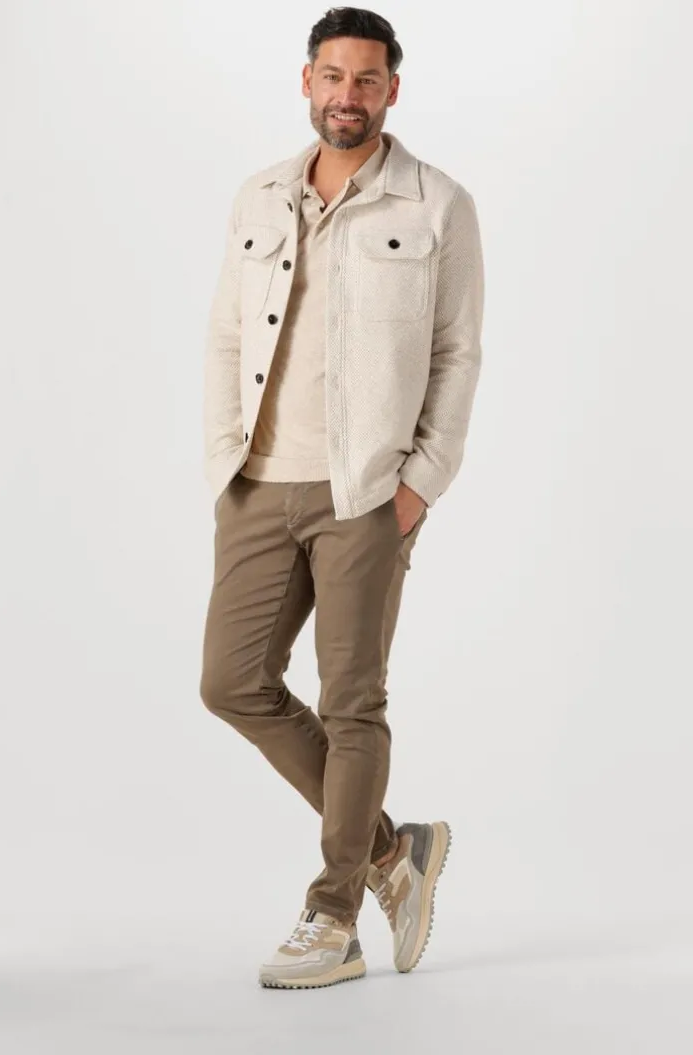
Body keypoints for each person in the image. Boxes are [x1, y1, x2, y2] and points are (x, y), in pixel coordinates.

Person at [199, 6, 485, 989]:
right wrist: (224, 460)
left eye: (366, 79)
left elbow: (457, 354)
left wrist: (417, 486)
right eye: (332, 76)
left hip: (365, 490)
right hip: (258, 480)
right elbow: (227, 337)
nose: (347, 96)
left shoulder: (437, 204)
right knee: (231, 682)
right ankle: (393, 850)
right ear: (307, 82)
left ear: (392, 89)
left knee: (352, 701)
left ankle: (335, 918)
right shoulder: (260, 195)